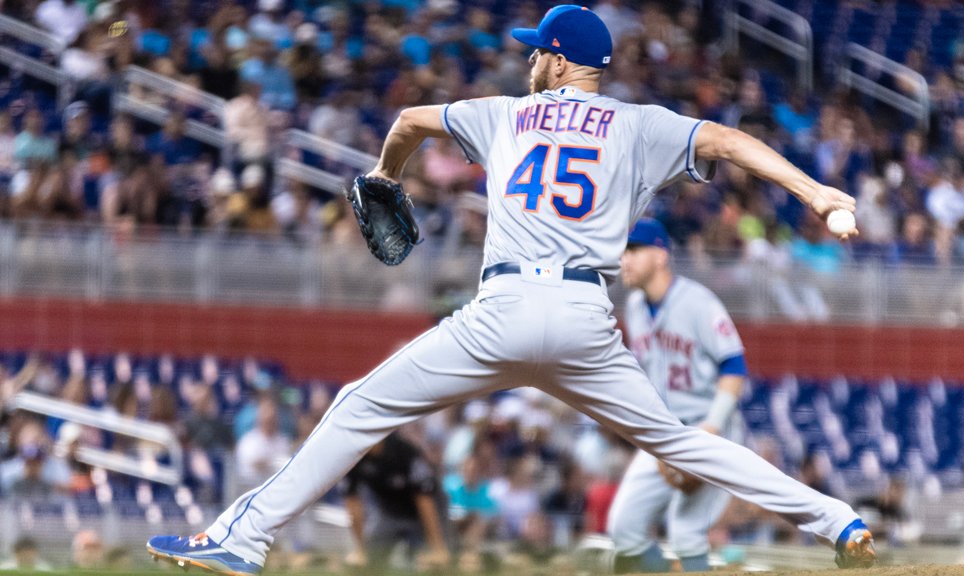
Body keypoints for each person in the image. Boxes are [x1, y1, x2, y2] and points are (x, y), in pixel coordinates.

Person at [146, 6, 874, 574]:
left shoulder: (504, 112)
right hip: (587, 318)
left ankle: (243, 540)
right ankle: (836, 519)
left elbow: (406, 121)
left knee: (361, 405)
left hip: (503, 312)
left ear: (560, 61)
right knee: (680, 443)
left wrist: (384, 177)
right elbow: (722, 139)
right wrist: (815, 193)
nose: (529, 59)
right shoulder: (639, 125)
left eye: (538, 50)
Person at [607, 218, 749, 573]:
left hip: (709, 428)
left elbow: (734, 367)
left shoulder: (698, 302)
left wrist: (712, 427)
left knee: (685, 531)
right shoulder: (636, 308)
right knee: (623, 529)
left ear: (660, 255)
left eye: (633, 250)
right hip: (665, 432)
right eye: (622, 252)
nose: (624, 259)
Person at [340, 433, 449, 572]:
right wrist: (361, 549)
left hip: (427, 511)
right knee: (369, 561)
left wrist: (437, 547)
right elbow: (352, 502)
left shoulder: (404, 451)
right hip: (389, 511)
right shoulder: (354, 455)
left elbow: (424, 499)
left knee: (433, 562)